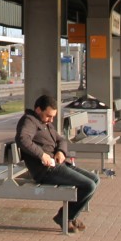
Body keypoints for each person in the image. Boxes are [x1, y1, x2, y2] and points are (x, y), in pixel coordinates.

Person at [15, 94, 98, 232]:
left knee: (95, 179)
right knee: (88, 185)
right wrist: (42, 155)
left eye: (53, 116)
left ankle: (70, 215)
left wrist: (61, 152)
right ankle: (65, 217)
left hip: (58, 164)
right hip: (45, 170)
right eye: (48, 116)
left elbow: (61, 140)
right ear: (38, 110)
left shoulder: (45, 123)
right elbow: (23, 139)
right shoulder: (29, 121)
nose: (51, 119)